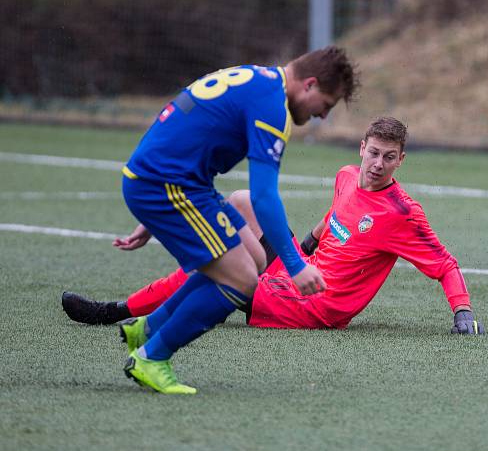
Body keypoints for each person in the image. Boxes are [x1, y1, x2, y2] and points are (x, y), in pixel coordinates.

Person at [63, 117, 484, 354]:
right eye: (373, 153)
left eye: (389, 158)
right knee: (242, 200)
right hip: (298, 273)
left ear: (401, 160)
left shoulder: (402, 213)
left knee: (219, 266)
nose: (378, 164)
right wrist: (300, 250)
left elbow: (445, 264)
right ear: (361, 148)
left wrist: (462, 313)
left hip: (313, 305)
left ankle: (116, 311)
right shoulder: (346, 177)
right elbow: (333, 219)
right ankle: (147, 310)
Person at [109, 46, 359, 394]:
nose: (321, 117)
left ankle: (149, 328)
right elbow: (263, 197)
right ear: (310, 85)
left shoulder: (257, 78)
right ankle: (152, 357)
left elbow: (179, 118)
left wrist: (150, 194)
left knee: (254, 260)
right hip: (170, 186)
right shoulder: (272, 108)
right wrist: (295, 265)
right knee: (242, 280)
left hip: (174, 182)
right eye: (326, 106)